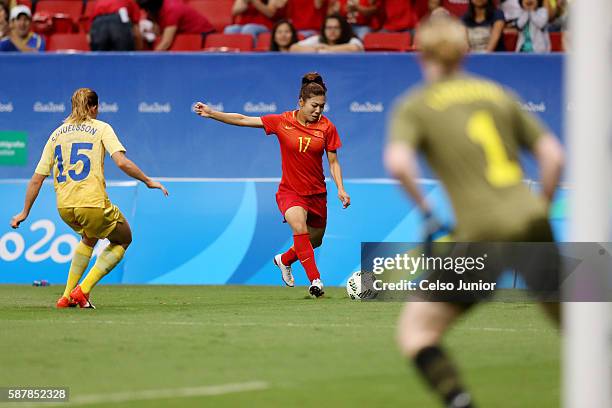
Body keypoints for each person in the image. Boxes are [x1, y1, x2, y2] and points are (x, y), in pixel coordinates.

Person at [384, 16, 564, 407]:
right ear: (465, 51)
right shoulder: (497, 93)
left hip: (480, 235)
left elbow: (398, 163)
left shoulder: (414, 105)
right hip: (532, 222)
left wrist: (428, 212)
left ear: (420, 53)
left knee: (417, 333)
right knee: (574, 327)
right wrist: (542, 209)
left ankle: (459, 401)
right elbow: (553, 155)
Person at [194, 73, 350, 298]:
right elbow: (243, 119)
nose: (318, 111)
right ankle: (315, 280)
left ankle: (284, 260)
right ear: (301, 102)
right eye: (314, 105)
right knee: (299, 228)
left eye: (322, 106)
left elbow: (333, 162)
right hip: (291, 191)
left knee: (314, 240)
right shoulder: (282, 121)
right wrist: (212, 113)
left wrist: (341, 189)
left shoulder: (327, 127)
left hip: (317, 193)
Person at [10, 88, 168, 309]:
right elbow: (122, 162)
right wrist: (147, 180)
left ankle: (66, 297)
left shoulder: (56, 134)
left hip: (65, 208)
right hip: (92, 203)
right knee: (124, 238)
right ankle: (82, 291)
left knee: (89, 237)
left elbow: (37, 179)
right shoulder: (102, 128)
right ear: (94, 107)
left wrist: (24, 212)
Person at [138, 0, 215, 51]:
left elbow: (166, 42)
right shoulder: (154, 11)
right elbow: (158, 32)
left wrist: (149, 59)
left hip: (203, 36)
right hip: (184, 37)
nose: (146, 12)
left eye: (147, 9)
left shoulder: (172, 9)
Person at [290, 13, 363, 53]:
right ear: (324, 29)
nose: (332, 31)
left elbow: (355, 49)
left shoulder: (351, 40)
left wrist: (327, 48)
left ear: (342, 29)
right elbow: (293, 48)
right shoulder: (317, 39)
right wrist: (315, 49)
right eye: (329, 28)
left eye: (336, 28)